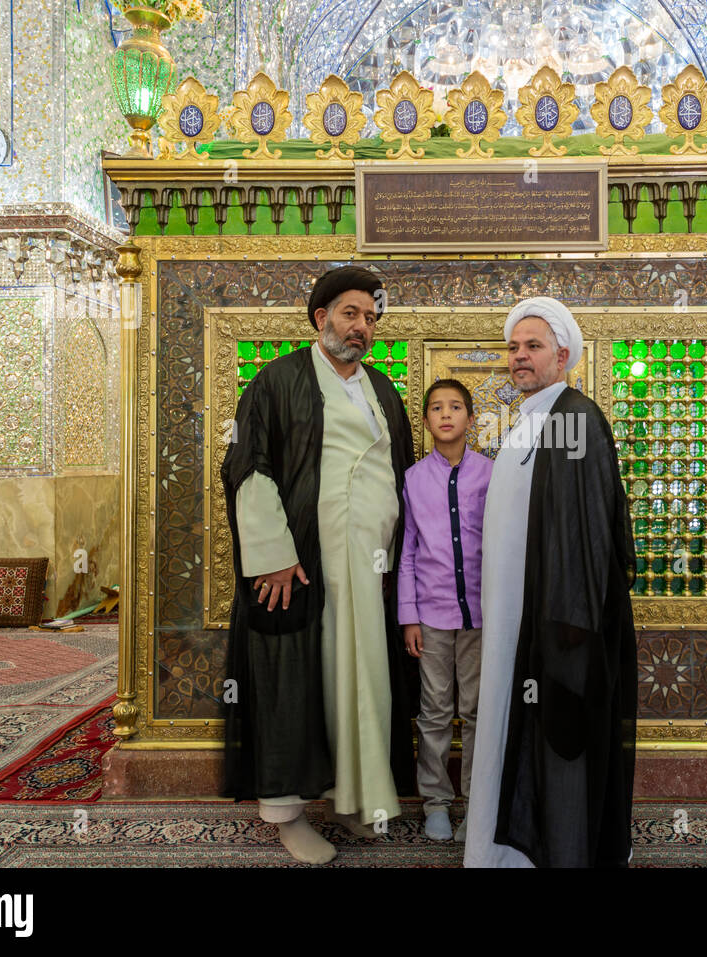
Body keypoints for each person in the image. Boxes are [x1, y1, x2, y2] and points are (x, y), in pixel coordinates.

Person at [220, 264, 417, 865]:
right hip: (301, 566)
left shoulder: (383, 390)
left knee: (360, 684)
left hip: (369, 569)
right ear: (321, 318)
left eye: (371, 318)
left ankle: (351, 798)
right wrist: (274, 558)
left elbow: (401, 476)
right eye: (351, 314)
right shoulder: (277, 381)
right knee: (291, 683)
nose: (362, 327)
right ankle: (287, 814)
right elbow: (248, 468)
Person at [464, 296, 638, 868]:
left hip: (557, 623)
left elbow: (590, 531)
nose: (519, 355)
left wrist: (567, 626)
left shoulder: (572, 417)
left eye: (533, 346)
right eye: (514, 347)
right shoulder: (532, 417)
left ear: (562, 356)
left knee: (558, 741)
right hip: (516, 619)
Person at [399, 378, 493, 843]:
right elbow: (408, 550)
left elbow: (502, 543)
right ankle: (436, 802)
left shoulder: (491, 474)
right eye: (436, 408)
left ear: (470, 419)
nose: (446, 414)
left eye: (455, 407)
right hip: (432, 617)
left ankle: (477, 804)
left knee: (476, 711)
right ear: (426, 421)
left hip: (481, 616)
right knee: (434, 710)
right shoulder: (414, 479)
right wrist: (408, 616)